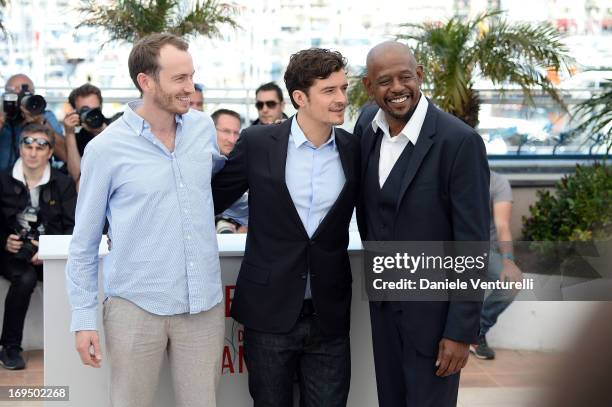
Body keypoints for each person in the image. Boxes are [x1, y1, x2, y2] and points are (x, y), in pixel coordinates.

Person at [66, 33, 227, 407]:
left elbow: (219, 185)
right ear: (146, 81)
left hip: (203, 306)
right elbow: (84, 242)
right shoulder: (105, 149)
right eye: (179, 79)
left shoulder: (203, 130)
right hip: (135, 308)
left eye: (191, 76)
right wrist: (84, 319)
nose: (191, 88)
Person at [213, 48, 359, 407]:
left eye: (343, 88)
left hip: (330, 314)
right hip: (267, 311)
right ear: (299, 98)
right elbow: (210, 199)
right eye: (329, 91)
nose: (341, 99)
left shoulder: (354, 148)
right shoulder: (258, 143)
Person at [355, 41, 490, 407]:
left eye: (405, 77)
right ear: (369, 87)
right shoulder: (366, 126)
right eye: (384, 81)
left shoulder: (459, 142)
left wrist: (461, 332)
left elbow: (472, 243)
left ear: (420, 76)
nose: (397, 88)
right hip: (384, 311)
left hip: (435, 322)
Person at [0, 123, 76, 370]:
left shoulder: (62, 184)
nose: (33, 153)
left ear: (50, 152)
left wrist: (49, 249)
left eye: (40, 147)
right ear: (20, 148)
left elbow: (74, 226)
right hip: (10, 254)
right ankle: (10, 347)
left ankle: (75, 344)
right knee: (25, 278)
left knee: (75, 276)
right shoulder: (2, 179)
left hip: (51, 253)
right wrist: (4, 240)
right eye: (27, 145)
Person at [470, 170, 522, 360]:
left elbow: (502, 226)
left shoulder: (497, 182)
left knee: (511, 284)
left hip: (484, 251)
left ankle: (475, 332)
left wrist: (508, 261)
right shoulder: (446, 176)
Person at [0, 74, 67, 172]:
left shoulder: (45, 117)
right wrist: (2, 118)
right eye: (12, 92)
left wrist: (40, 122)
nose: (19, 98)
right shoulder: (2, 117)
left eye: (24, 93)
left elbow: (65, 156)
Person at [210, 108, 248, 234]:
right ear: (210, 130)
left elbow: (239, 204)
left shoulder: (229, 166)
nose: (232, 139)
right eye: (226, 131)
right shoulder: (195, 162)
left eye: (236, 133)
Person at [63, 83, 107, 186]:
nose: (92, 114)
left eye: (95, 110)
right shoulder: (77, 139)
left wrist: (102, 130)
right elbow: (76, 175)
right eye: (86, 110)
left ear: (101, 107)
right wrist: (69, 133)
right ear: (76, 113)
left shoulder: (116, 126)